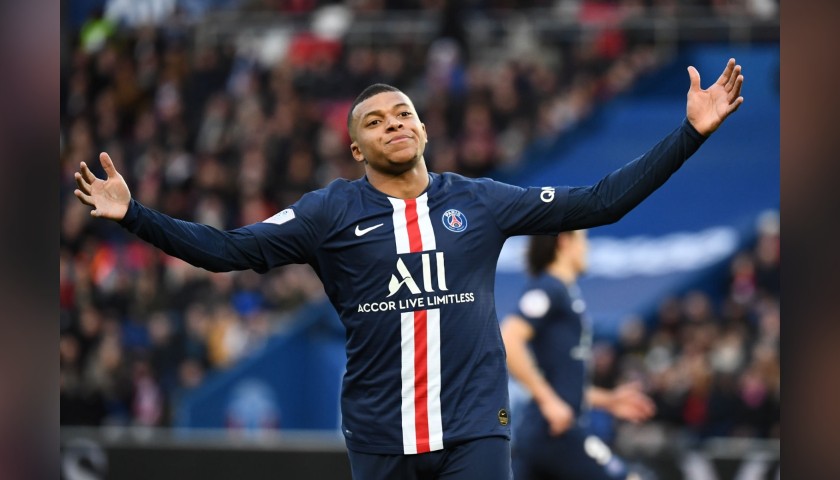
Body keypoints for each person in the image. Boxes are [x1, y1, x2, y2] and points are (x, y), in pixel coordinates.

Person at [73, 59, 744, 480]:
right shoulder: (328, 212)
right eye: (375, 121)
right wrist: (135, 216)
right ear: (355, 146)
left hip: (475, 430)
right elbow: (226, 250)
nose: (393, 124)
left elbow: (602, 202)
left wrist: (689, 134)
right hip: (380, 435)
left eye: (404, 114)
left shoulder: (479, 201)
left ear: (423, 130)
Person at [501, 231, 655, 480]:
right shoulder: (548, 288)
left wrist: (608, 401)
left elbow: (563, 385)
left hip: (545, 433)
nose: (587, 249)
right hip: (554, 434)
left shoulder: (565, 294)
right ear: (564, 240)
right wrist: (548, 401)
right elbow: (509, 339)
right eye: (584, 240)